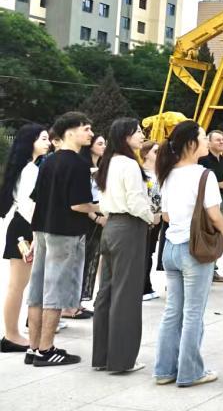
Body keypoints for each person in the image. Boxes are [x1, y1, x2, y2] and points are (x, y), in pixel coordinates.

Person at [26, 111, 99, 367]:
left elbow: (36, 200)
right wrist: (101, 207)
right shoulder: (78, 164)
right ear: (70, 132)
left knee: (37, 291)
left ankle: (34, 348)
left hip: (43, 230)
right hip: (65, 233)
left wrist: (33, 235)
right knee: (55, 292)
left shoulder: (48, 161)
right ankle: (46, 350)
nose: (91, 134)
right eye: (86, 129)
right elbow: (78, 205)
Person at [154, 120, 223, 386]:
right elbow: (214, 215)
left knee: (173, 311)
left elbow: (166, 215)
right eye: (204, 137)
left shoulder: (167, 173)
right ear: (192, 143)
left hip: (170, 247)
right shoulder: (204, 175)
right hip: (194, 250)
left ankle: (164, 371)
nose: (206, 141)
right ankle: (190, 372)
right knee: (193, 312)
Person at [92, 118, 156, 374]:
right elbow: (136, 201)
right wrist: (152, 217)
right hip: (129, 227)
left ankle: (102, 356)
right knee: (126, 294)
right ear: (124, 136)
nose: (142, 135)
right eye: (137, 132)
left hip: (111, 227)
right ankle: (122, 359)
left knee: (106, 292)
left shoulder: (108, 162)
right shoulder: (129, 164)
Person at [1, 124, 49, 354]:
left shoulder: (27, 167)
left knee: (17, 285)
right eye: (43, 138)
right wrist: (37, 234)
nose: (48, 143)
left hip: (21, 226)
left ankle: (12, 333)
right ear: (30, 141)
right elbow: (30, 205)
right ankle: (11, 335)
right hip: (25, 227)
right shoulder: (30, 169)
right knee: (17, 285)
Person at [199, 130, 223, 284]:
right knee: (207, 234)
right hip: (207, 204)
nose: (222, 142)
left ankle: (213, 268)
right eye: (218, 140)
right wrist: (221, 184)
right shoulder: (203, 160)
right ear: (209, 142)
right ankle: (205, 269)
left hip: (221, 202)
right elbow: (201, 183)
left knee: (217, 236)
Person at [77, 134, 106, 311]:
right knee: (83, 259)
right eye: (100, 143)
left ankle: (80, 300)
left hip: (100, 212)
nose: (104, 146)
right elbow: (82, 199)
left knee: (92, 260)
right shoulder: (84, 167)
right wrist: (96, 217)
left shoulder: (102, 167)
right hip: (88, 216)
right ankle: (74, 301)